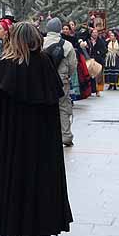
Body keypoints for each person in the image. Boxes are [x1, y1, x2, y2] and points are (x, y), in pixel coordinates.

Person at [0, 22, 71, 236]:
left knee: (10, 180)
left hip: (9, 142)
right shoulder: (45, 65)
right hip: (38, 143)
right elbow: (54, 99)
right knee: (36, 181)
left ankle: (9, 224)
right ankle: (36, 225)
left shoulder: (1, 68)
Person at [42, 18, 77, 148]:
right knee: (63, 107)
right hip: (62, 80)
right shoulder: (67, 45)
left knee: (44, 106)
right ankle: (66, 135)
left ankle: (46, 134)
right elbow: (73, 65)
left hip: (43, 80)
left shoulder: (40, 43)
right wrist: (67, 75)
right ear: (60, 29)